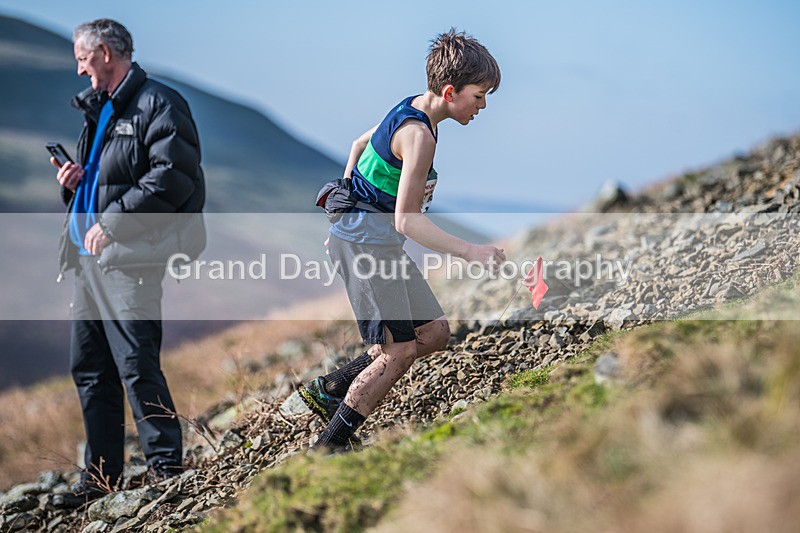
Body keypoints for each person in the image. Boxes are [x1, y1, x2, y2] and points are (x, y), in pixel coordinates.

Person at [299, 29, 504, 450]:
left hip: (371, 242)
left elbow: (358, 143)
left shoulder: (412, 107)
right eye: (479, 96)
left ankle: (332, 386)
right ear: (450, 92)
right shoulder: (419, 136)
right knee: (401, 351)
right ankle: (330, 445)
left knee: (434, 332)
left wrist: (343, 204)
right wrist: (471, 251)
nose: (483, 106)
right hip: (366, 248)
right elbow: (408, 221)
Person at [51, 19, 205, 506]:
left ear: (104, 52)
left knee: (136, 363)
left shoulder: (159, 103)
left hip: (129, 260)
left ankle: (166, 469)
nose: (80, 70)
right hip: (88, 262)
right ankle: (100, 478)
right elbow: (113, 179)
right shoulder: (101, 109)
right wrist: (76, 184)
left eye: (82, 59)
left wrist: (114, 222)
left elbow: (173, 177)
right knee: (90, 370)